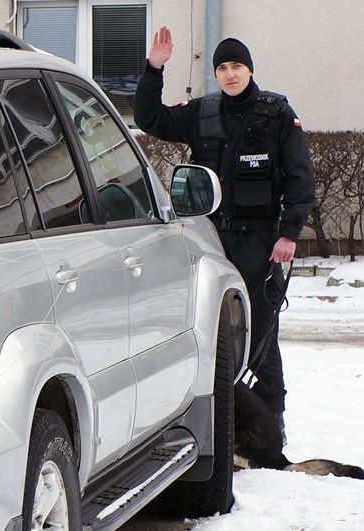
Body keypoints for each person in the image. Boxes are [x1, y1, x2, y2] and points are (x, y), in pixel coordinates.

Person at [134, 26, 315, 444]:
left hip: (260, 243)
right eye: (222, 67)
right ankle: (222, 418)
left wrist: (289, 235)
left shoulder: (277, 114)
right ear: (215, 73)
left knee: (261, 333)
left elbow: (301, 178)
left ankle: (272, 421)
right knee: (211, 331)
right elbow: (151, 118)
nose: (230, 74)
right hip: (210, 240)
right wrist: (154, 68)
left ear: (249, 70)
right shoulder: (202, 113)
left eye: (237, 66)